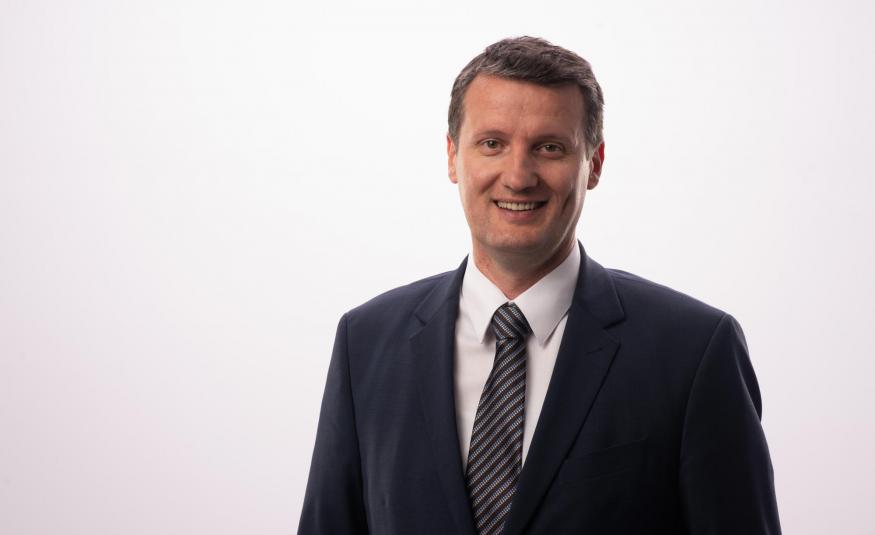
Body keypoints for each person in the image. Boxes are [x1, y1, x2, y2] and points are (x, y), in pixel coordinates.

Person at [298, 36, 781, 534]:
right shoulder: (366, 342)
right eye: (492, 144)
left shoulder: (694, 351)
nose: (518, 176)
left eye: (549, 148)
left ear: (594, 164)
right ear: (452, 156)